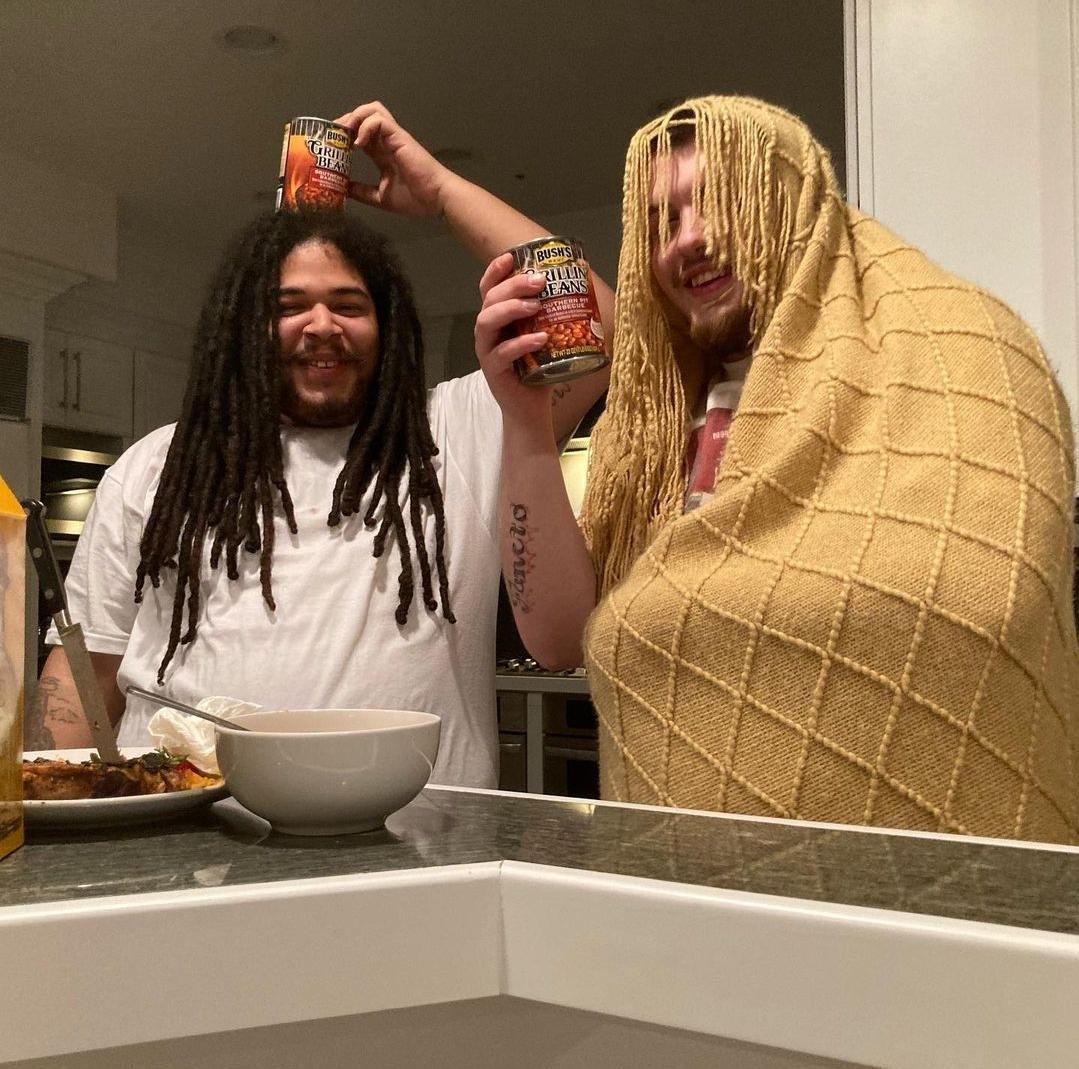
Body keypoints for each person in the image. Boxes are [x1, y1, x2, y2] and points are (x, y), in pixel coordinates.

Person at [478, 95, 1079, 843]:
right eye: (661, 221)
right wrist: (526, 424)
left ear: (798, 202)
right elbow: (559, 640)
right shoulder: (655, 423)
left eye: (723, 199)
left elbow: (983, 600)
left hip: (930, 879)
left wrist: (677, 612)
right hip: (674, 879)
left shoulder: (962, 348)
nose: (688, 239)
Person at [27, 102, 612, 789]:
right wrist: (47, 802)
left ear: (387, 326)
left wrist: (441, 192)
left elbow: (601, 324)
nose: (321, 324)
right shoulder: (155, 466)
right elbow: (88, 674)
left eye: (349, 304)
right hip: (190, 831)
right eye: (288, 306)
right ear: (245, 328)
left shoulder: (466, 426)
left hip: (419, 840)